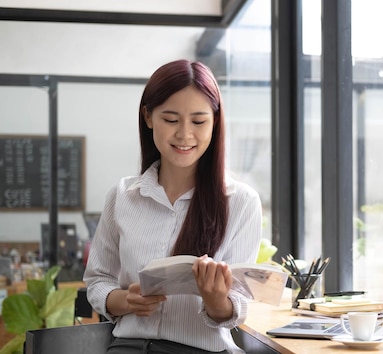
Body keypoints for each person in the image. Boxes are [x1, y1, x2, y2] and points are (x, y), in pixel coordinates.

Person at [83, 59, 263, 354]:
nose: (184, 134)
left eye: (198, 121)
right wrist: (126, 300)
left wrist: (216, 300)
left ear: (215, 122)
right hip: (128, 347)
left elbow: (238, 307)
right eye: (170, 119)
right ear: (149, 117)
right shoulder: (123, 195)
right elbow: (98, 280)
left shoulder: (241, 202)